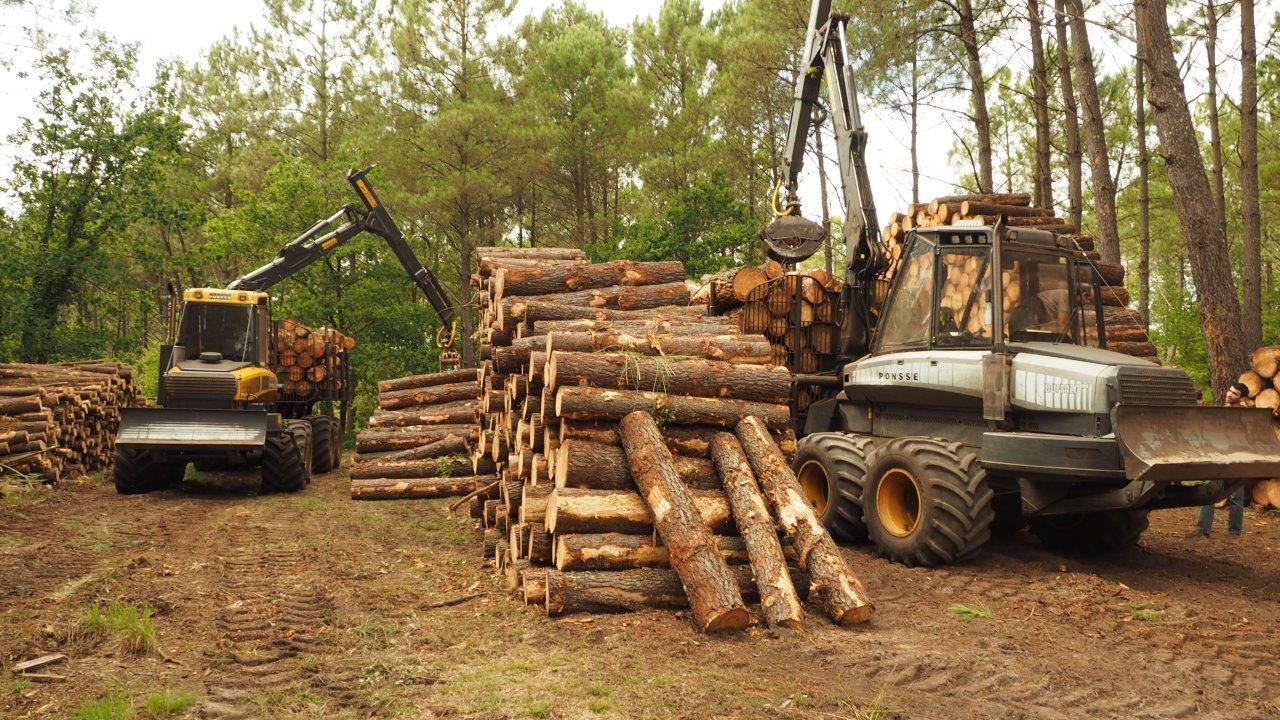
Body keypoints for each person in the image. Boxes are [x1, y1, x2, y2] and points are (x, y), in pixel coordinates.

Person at [1196, 381, 1249, 536]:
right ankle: (1202, 528)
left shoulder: (1243, 413)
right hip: (1218, 455)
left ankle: (1234, 532)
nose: (1229, 394)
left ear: (1241, 398)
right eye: (1230, 391)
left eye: (1234, 394)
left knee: (1236, 496)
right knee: (1210, 491)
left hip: (1236, 457)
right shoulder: (1223, 409)